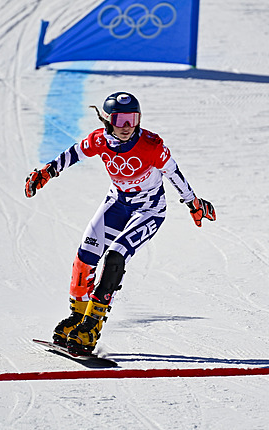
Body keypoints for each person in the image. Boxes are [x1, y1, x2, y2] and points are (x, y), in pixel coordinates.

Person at [24, 92, 215, 355]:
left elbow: (173, 173)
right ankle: (78, 317)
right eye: (120, 120)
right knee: (85, 258)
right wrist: (49, 170)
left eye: (132, 119)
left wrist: (193, 202)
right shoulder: (100, 140)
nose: (126, 127)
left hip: (148, 210)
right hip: (117, 203)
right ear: (107, 121)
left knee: (115, 257)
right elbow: (75, 153)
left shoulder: (151, 146)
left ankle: (92, 325)